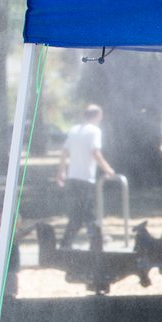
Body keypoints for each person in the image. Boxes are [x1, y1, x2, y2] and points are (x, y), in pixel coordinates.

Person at [56, 104, 115, 250]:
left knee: (77, 213)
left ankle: (66, 243)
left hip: (72, 177)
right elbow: (95, 153)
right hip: (85, 178)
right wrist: (108, 170)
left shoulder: (74, 129)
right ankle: (96, 241)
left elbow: (64, 151)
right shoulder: (95, 131)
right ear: (98, 116)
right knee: (88, 213)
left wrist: (62, 170)